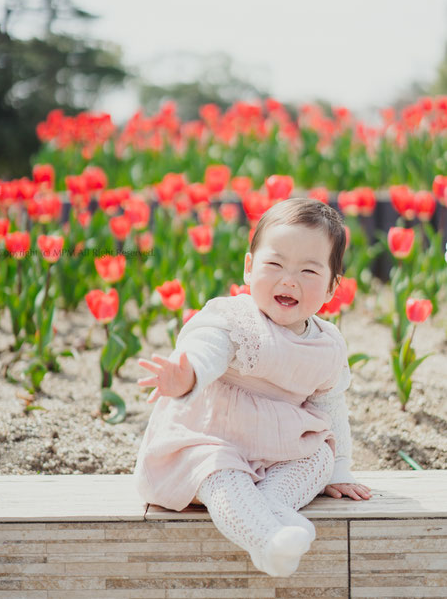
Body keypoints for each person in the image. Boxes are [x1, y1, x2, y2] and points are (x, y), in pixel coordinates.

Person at [134, 197, 371, 577]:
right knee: (220, 473)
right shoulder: (236, 319)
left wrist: (341, 469)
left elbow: (330, 405)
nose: (288, 280)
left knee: (320, 456)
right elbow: (208, 346)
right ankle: (267, 542)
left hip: (276, 445)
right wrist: (188, 373)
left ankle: (275, 505)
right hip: (212, 438)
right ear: (249, 267)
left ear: (332, 288)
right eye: (274, 264)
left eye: (309, 272)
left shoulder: (326, 345)